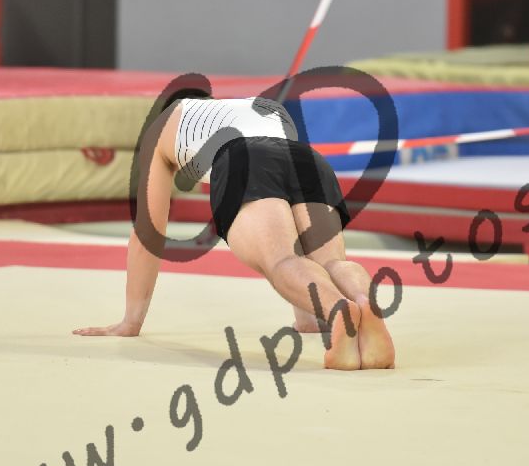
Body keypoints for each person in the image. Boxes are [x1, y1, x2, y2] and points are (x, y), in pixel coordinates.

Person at [72, 88, 395, 370]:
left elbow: (148, 234)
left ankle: (339, 311)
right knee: (331, 262)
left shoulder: (162, 125)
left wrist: (130, 322)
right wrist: (307, 319)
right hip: (308, 160)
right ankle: (363, 303)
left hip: (243, 159)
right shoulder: (266, 107)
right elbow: (294, 223)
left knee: (280, 260)